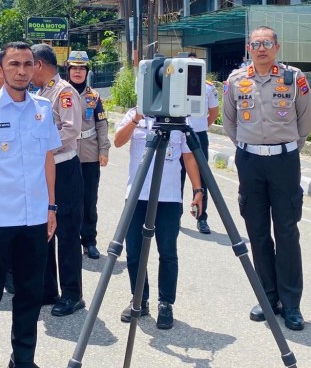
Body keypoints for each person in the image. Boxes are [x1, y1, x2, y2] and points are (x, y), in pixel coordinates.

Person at [0, 41, 59, 368]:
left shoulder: (43, 108)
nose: (22, 70)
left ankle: (22, 361)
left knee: (29, 294)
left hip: (35, 218)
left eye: (27, 64)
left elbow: (48, 159)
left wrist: (52, 208)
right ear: (1, 68)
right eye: (14, 64)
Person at [223, 27, 311, 330]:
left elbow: (305, 119)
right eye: (256, 44)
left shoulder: (293, 78)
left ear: (276, 47)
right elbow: (229, 121)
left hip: (285, 161)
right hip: (249, 162)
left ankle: (291, 305)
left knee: (287, 232)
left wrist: (287, 147)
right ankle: (267, 297)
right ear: (249, 47)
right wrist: (251, 148)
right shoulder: (236, 80)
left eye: (267, 44)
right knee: (257, 231)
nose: (261, 49)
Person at [113, 106, 204, 329]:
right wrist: (137, 118)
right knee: (134, 252)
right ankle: (139, 299)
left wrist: (197, 190)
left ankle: (166, 303)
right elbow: (118, 141)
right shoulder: (135, 114)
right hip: (136, 196)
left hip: (169, 198)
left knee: (168, 252)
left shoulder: (179, 119)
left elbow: (189, 157)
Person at [31, 44, 84, 317]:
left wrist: (43, 148)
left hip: (63, 169)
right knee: (46, 230)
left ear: (40, 64)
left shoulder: (63, 92)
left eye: (30, 65)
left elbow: (71, 130)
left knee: (67, 233)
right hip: (45, 170)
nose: (27, 72)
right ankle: (49, 289)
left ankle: (73, 294)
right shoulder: (41, 93)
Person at [66, 50, 110, 259]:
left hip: (90, 155)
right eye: (74, 68)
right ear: (68, 70)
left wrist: (104, 150)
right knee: (68, 200)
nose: (77, 72)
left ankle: (89, 241)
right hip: (66, 155)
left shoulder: (94, 97)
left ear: (86, 72)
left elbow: (101, 124)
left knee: (89, 200)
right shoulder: (61, 93)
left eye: (81, 68)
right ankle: (69, 239)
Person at [184, 52, 219, 234]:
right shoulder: (176, 85)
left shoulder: (207, 88)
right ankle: (171, 215)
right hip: (176, 136)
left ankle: (201, 218)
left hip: (198, 136)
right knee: (175, 176)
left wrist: (200, 126)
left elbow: (214, 112)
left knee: (201, 179)